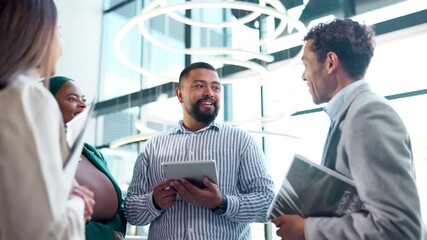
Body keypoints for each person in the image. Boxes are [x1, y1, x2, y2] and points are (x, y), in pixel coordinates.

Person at [271, 18, 425, 240]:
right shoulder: (351, 114)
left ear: (331, 62)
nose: (303, 76)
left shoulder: (368, 114)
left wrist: (307, 230)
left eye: (306, 64)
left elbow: (399, 228)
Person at [124, 62, 275, 239]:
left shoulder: (242, 142)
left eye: (216, 88)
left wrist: (222, 203)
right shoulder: (153, 146)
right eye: (199, 86)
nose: (209, 93)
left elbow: (268, 204)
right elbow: (130, 213)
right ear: (180, 95)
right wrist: (154, 202)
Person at [0, 0, 94, 239]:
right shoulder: (28, 99)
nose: (61, 48)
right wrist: (76, 204)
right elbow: (49, 233)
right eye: (58, 32)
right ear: (35, 33)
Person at [49, 76, 127, 240]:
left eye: (84, 100)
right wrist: (104, 235)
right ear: (48, 104)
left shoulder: (90, 151)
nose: (83, 105)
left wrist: (116, 233)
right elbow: (46, 213)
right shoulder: (42, 152)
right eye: (72, 99)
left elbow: (118, 207)